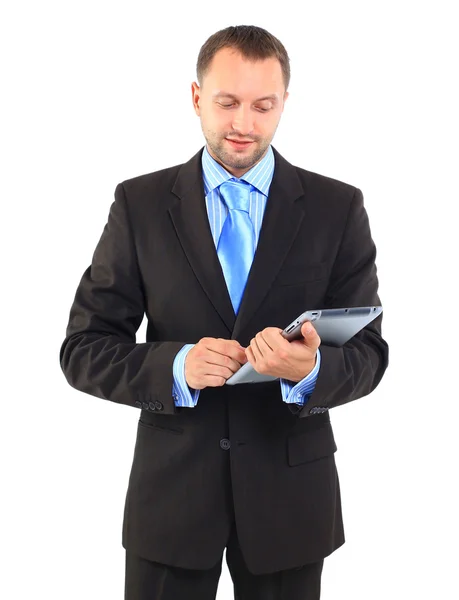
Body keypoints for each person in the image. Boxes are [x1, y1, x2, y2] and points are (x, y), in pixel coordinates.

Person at [60, 24, 389, 600]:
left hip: (290, 502)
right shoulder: (138, 205)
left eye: (264, 106)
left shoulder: (339, 208)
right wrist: (176, 367)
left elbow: (368, 354)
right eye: (227, 102)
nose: (244, 124)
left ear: (285, 102)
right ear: (195, 98)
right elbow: (83, 349)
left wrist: (306, 371)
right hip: (172, 502)